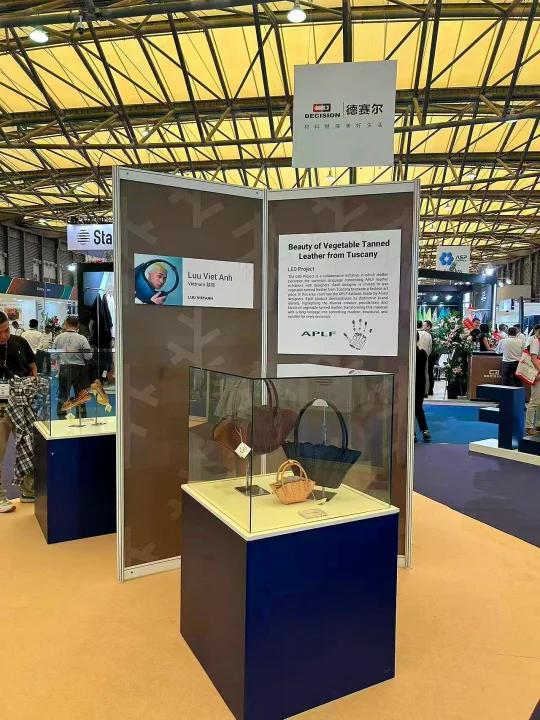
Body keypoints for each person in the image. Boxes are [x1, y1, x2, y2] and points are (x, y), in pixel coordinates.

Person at [0, 312, 37, 513]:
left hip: (23, 402)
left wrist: (33, 386)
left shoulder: (19, 342)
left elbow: (32, 367)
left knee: (29, 446)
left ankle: (29, 491)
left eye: (6, 330)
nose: (4, 335)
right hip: (1, 406)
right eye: (0, 333)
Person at [52, 315, 93, 419]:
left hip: (64, 368)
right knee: (81, 395)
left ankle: (61, 416)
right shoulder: (82, 338)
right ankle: (81, 416)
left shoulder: (58, 337)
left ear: (66, 324)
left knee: (63, 394)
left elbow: (53, 356)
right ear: (78, 326)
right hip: (79, 368)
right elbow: (88, 356)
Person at [415, 331, 431, 442]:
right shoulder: (423, 353)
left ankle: (413, 433)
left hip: (412, 383)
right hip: (420, 383)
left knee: (411, 408)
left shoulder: (410, 354)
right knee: (418, 408)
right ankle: (425, 430)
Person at [525, 324, 540, 436]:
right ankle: (529, 426)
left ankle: (539, 424)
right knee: (534, 401)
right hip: (537, 374)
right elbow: (534, 359)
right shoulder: (535, 342)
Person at [423, 320, 438, 396]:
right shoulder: (424, 334)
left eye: (424, 325)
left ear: (428, 326)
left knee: (429, 372)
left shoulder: (433, 335)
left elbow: (433, 347)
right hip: (425, 356)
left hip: (431, 357)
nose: (423, 327)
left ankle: (430, 389)